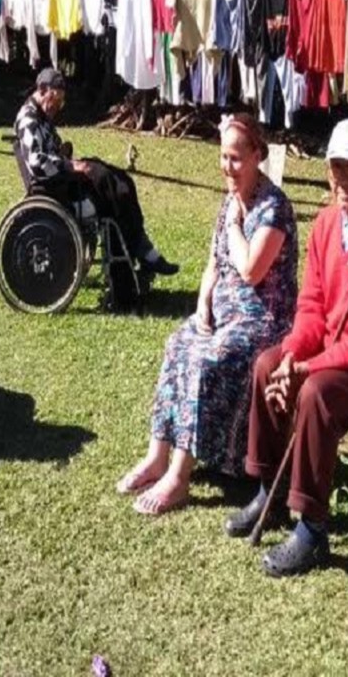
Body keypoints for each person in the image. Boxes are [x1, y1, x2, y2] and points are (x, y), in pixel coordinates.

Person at [224, 118, 348, 576]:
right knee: (267, 365)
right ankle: (269, 490)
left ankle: (312, 527)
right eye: (336, 168)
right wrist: (293, 354)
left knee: (317, 393)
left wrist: (308, 369)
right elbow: (312, 305)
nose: (343, 179)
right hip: (333, 348)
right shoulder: (327, 224)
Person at [118, 113, 298, 516]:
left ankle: (179, 476)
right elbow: (214, 263)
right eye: (223, 157)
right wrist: (203, 304)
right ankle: (157, 456)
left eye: (235, 158)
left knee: (206, 360)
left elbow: (251, 270)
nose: (227, 167)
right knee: (179, 344)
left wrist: (234, 224)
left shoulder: (274, 208)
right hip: (224, 315)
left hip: (263, 320)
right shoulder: (230, 200)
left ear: (257, 156)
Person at [13, 67, 178, 276]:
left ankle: (143, 251)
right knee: (114, 188)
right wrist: (70, 166)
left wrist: (68, 159)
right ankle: (141, 256)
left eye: (61, 103)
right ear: (42, 90)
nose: (57, 108)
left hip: (61, 176)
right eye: (55, 101)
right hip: (55, 186)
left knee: (122, 180)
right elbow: (36, 162)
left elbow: (51, 151)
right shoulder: (28, 119)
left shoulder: (41, 115)